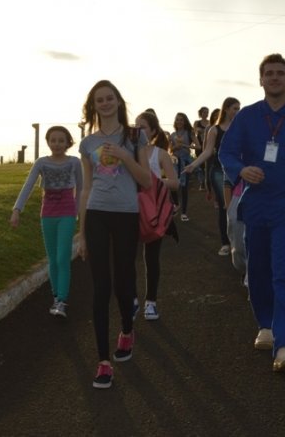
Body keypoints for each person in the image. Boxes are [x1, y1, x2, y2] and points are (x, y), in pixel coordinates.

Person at [219, 54, 285, 373]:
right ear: (261, 79)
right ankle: (265, 324)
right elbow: (226, 152)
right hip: (257, 206)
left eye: (281, 73)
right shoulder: (249, 116)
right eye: (269, 73)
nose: (275, 78)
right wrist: (242, 169)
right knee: (260, 270)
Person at [78, 80, 151, 389]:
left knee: (123, 283)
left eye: (110, 98)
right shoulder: (87, 143)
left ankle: (126, 329)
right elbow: (85, 189)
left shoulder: (136, 136)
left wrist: (124, 155)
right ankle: (103, 361)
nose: (105, 103)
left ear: (119, 102)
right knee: (100, 287)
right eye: (99, 100)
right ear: (93, 106)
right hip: (96, 214)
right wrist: (81, 234)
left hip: (126, 214)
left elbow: (146, 180)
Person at [9, 126, 83, 318]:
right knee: (52, 258)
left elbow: (81, 190)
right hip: (47, 214)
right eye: (53, 140)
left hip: (67, 213)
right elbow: (28, 185)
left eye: (61, 140)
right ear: (48, 142)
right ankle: (56, 297)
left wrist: (79, 213)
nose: (57, 144)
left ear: (68, 143)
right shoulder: (41, 163)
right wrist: (17, 209)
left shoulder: (75, 162)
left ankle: (62, 300)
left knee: (62, 257)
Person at [136, 111, 180, 321]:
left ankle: (150, 302)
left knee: (151, 258)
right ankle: (132, 299)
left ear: (153, 130)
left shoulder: (160, 154)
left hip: (153, 211)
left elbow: (175, 182)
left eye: (143, 126)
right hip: (129, 209)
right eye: (135, 126)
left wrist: (152, 183)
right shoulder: (128, 152)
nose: (138, 130)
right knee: (124, 258)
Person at [183, 98, 240, 256]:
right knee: (225, 206)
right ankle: (226, 243)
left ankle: (237, 241)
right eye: (235, 108)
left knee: (237, 206)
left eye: (239, 108)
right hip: (218, 171)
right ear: (226, 109)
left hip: (237, 171)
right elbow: (207, 151)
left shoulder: (240, 127)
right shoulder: (214, 130)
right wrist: (194, 165)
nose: (237, 111)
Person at [170, 112, 198, 222]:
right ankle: (176, 204)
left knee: (184, 187)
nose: (179, 122)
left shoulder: (189, 132)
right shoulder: (172, 135)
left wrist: (185, 146)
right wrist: (175, 147)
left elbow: (198, 146)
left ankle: (184, 213)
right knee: (173, 184)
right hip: (175, 162)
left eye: (181, 119)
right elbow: (170, 149)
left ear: (185, 121)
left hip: (186, 161)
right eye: (177, 119)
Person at [192, 106, 210, 191]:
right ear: (201, 113)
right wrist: (197, 130)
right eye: (204, 112)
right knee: (200, 165)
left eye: (207, 112)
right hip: (199, 145)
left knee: (208, 164)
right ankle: (202, 182)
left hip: (207, 145)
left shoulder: (210, 122)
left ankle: (208, 182)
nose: (206, 114)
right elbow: (194, 132)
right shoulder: (197, 122)